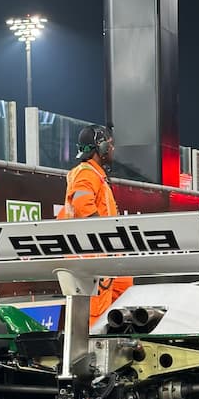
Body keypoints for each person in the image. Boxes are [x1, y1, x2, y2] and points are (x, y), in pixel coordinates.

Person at [57, 125, 133, 327]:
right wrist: (104, 236)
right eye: (110, 144)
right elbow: (83, 206)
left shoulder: (94, 175)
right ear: (101, 147)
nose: (113, 149)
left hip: (106, 259)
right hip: (94, 261)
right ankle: (92, 353)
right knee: (95, 318)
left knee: (123, 307)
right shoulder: (86, 173)